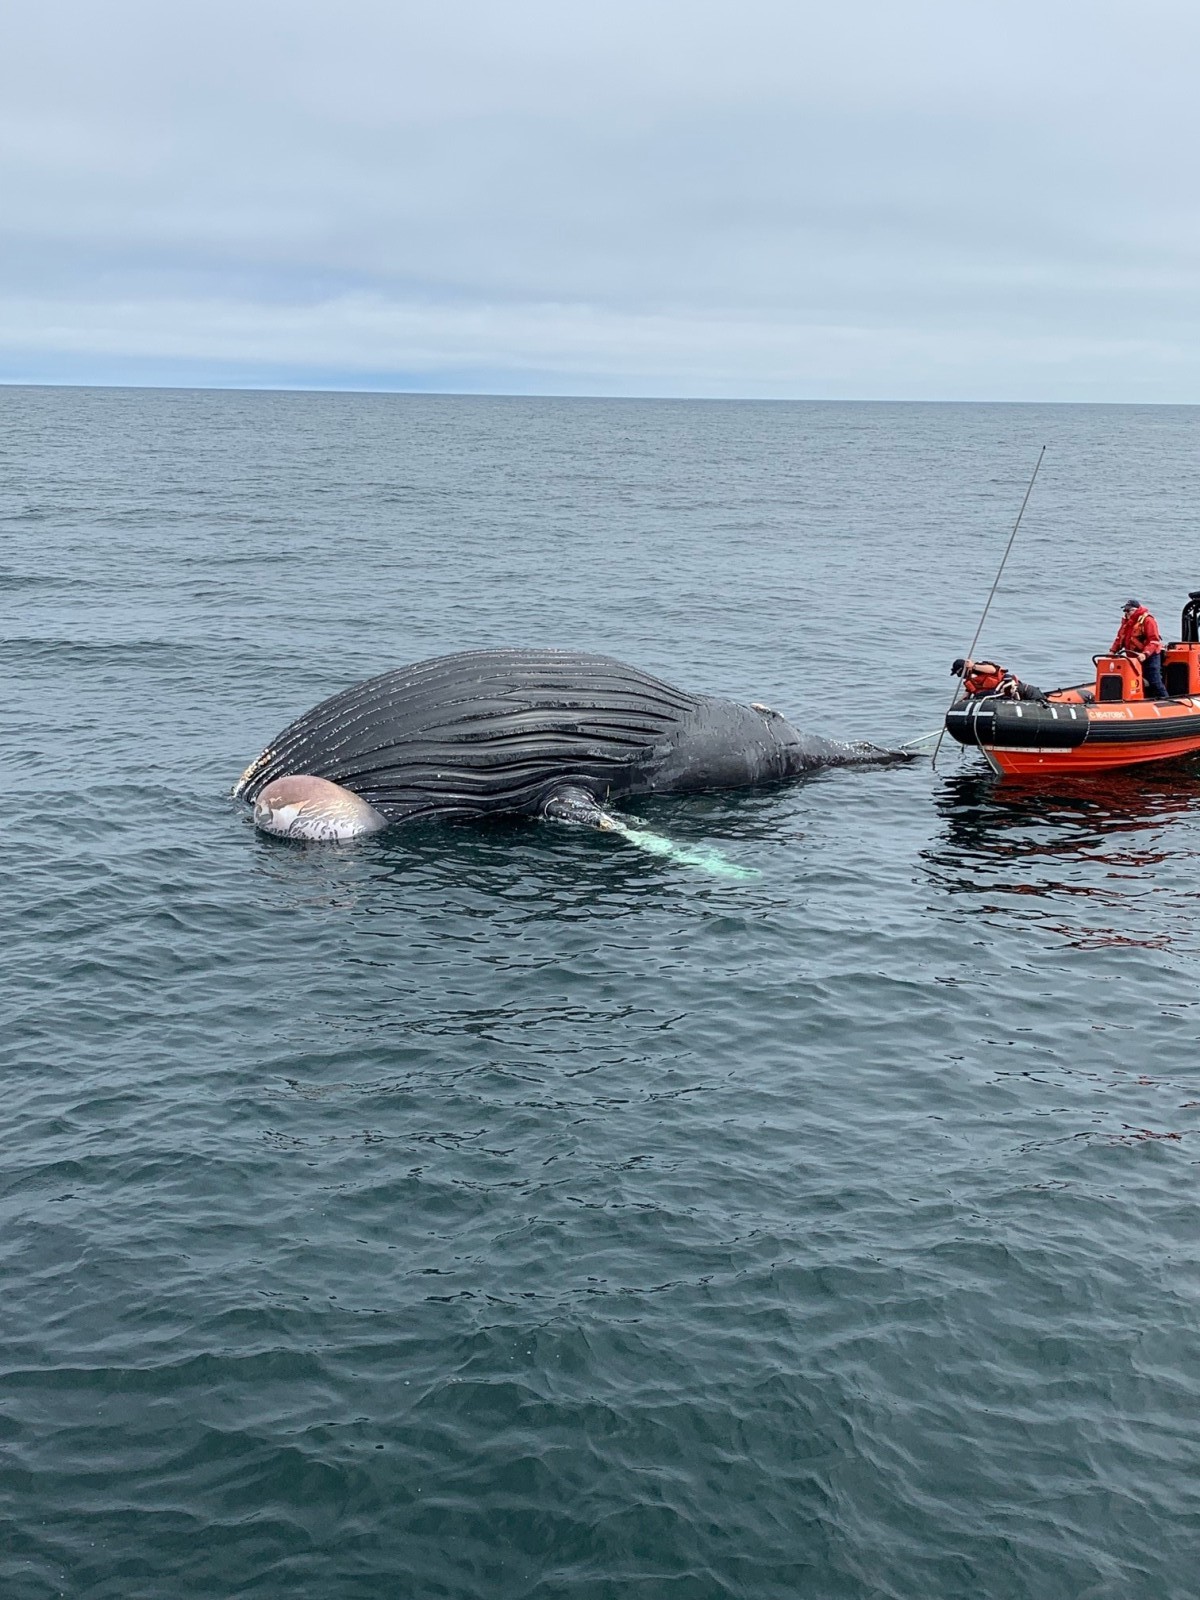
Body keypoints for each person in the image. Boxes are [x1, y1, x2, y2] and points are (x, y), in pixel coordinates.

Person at [1110, 598, 1166, 699]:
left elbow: (1154, 640)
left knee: (1154, 681)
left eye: (1128, 610)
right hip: (1133, 657)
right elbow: (1120, 638)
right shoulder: (1127, 623)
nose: (1126, 613)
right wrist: (1112, 651)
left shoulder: (1148, 620)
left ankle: (1166, 700)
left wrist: (1145, 654)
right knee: (1135, 682)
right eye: (1125, 611)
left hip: (1150, 656)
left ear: (1136, 610)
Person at [951, 658, 1049, 703]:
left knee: (1040, 701)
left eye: (959, 674)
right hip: (1003, 698)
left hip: (1020, 690)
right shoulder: (969, 682)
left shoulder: (980, 667)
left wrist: (973, 666)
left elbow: (992, 669)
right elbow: (965, 696)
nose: (961, 677)